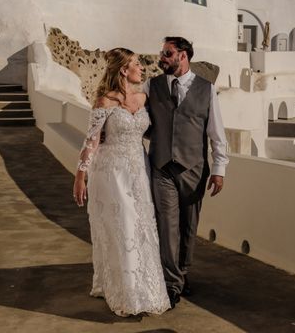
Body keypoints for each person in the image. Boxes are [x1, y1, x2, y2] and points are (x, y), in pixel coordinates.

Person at [73, 48, 170, 317]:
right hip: (111, 172)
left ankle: (147, 290)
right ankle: (127, 295)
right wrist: (81, 175)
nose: (143, 68)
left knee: (142, 227)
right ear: (124, 70)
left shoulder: (143, 97)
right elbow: (91, 141)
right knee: (123, 227)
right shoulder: (105, 102)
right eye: (137, 64)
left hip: (139, 170)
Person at [144, 36, 229, 308]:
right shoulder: (152, 85)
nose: (162, 58)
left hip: (194, 169)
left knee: (188, 228)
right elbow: (139, 118)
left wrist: (219, 168)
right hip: (161, 167)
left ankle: (182, 273)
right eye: (162, 53)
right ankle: (171, 284)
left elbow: (216, 132)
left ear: (183, 55)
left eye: (167, 53)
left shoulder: (207, 89)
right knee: (167, 226)